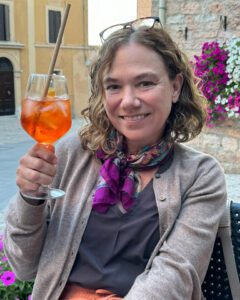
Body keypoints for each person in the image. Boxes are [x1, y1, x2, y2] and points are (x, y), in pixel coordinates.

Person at [4, 17, 227, 300]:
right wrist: (29, 198)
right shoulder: (72, 153)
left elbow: (177, 271)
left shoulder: (200, 175)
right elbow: (23, 266)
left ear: (174, 86)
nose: (128, 100)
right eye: (114, 87)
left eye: (145, 83)